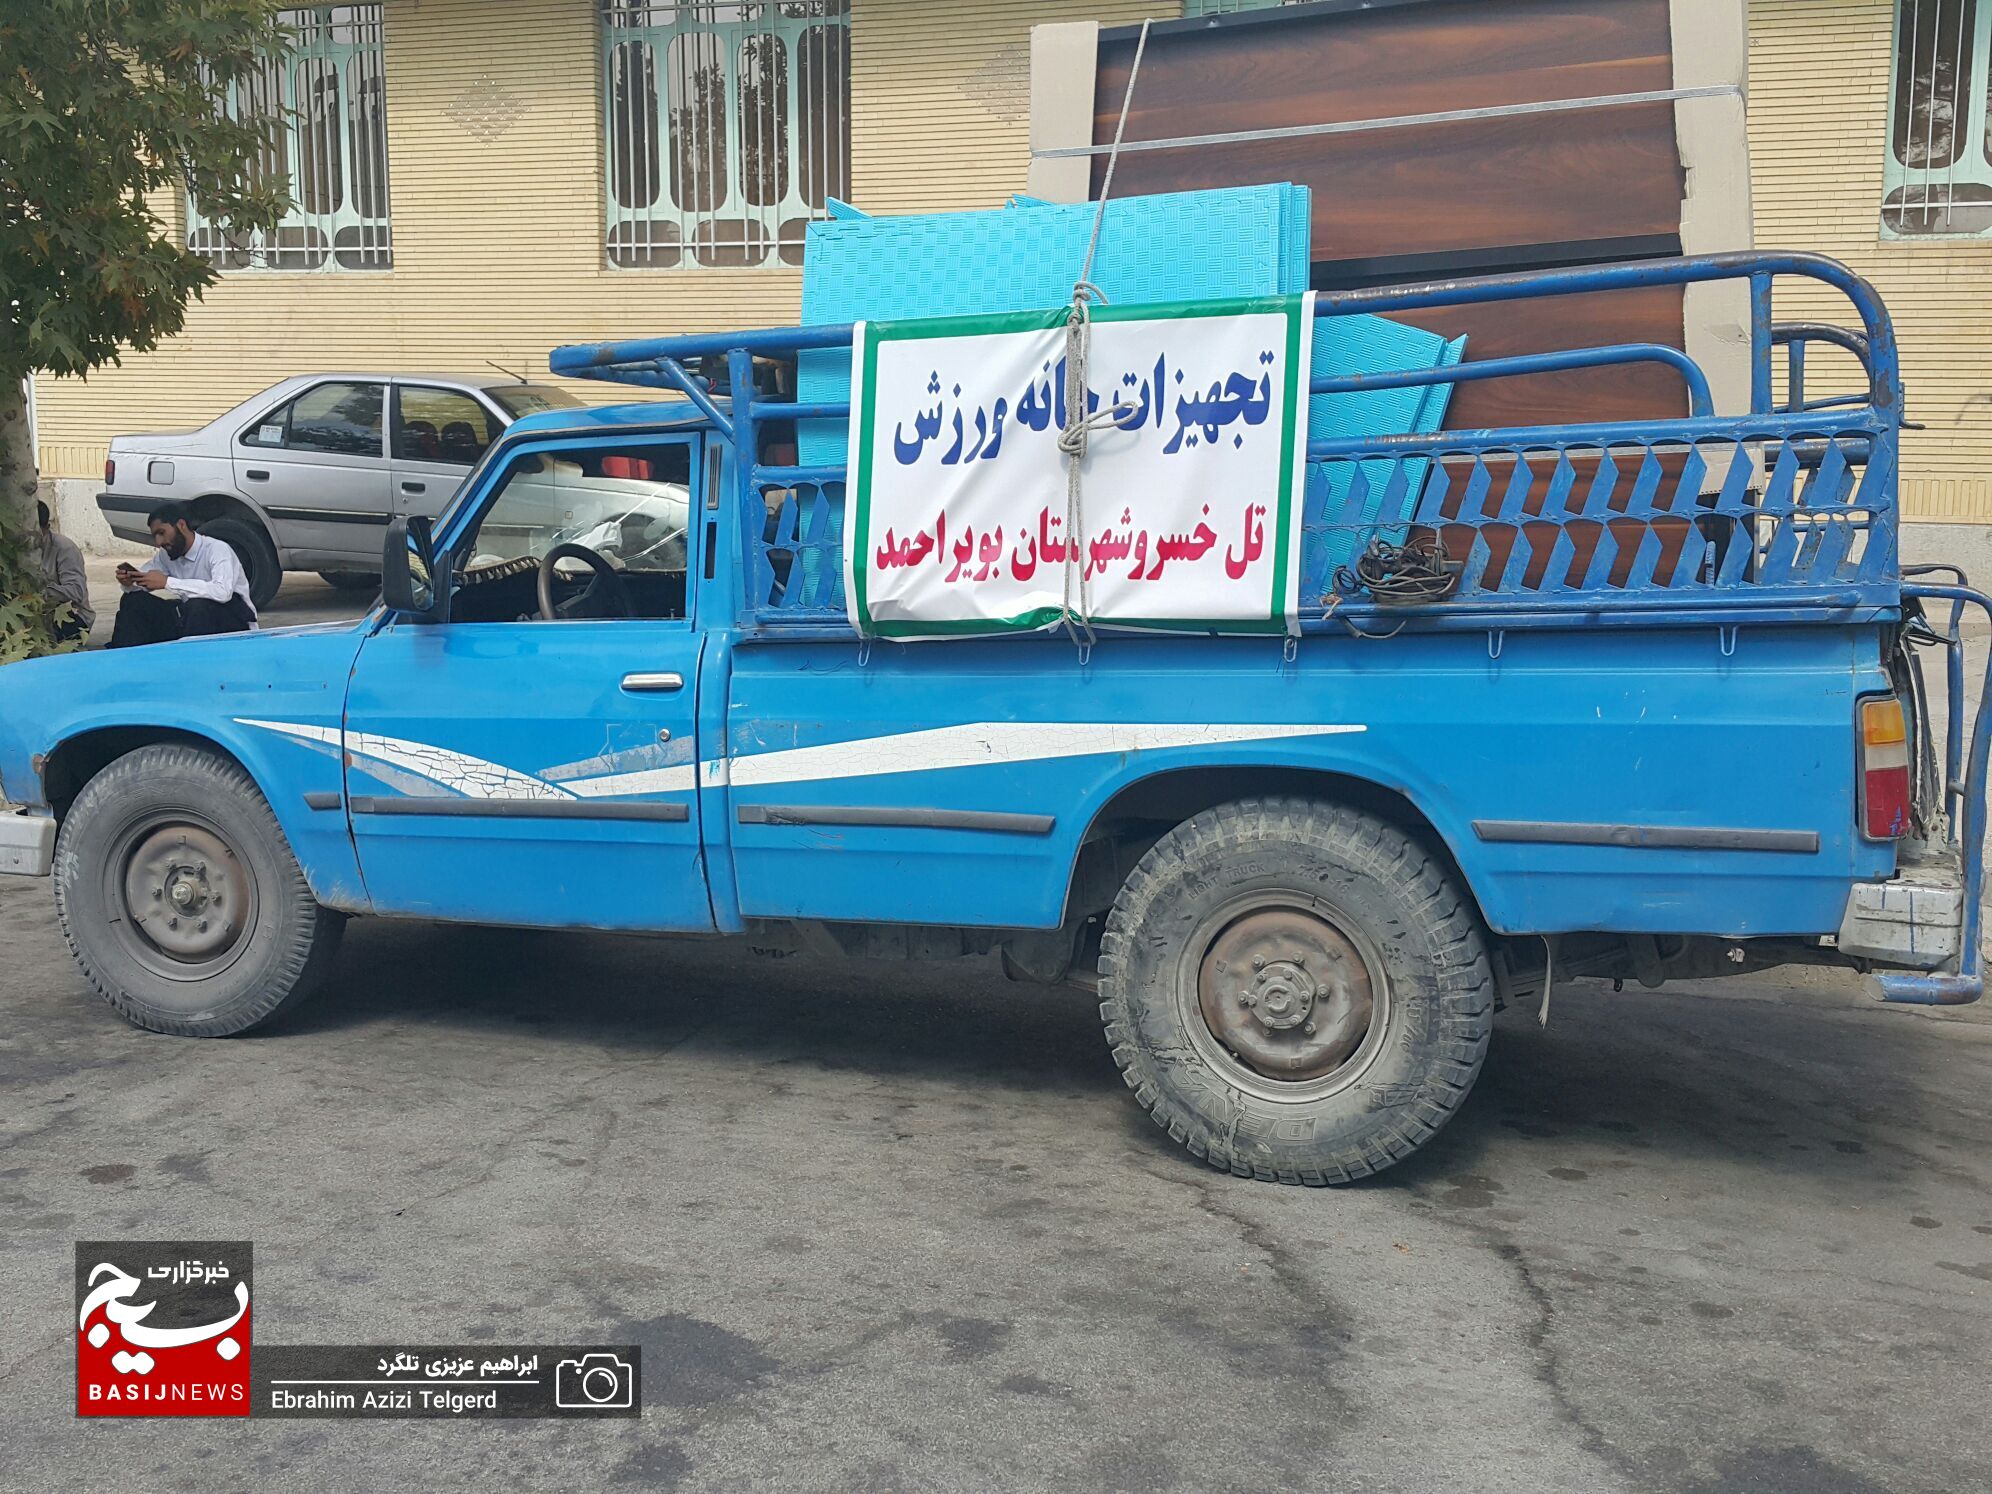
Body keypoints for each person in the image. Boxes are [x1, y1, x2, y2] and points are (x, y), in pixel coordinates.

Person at [108, 503, 258, 648]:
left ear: (181, 525)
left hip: (233, 621)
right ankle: (125, 659)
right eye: (155, 536)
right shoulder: (166, 555)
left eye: (162, 533)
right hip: (192, 619)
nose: (159, 542)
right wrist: (130, 583)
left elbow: (222, 592)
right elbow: (145, 578)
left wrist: (167, 582)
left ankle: (191, 661)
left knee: (197, 606)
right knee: (133, 601)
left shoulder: (217, 549)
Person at [30, 500, 95, 642]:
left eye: (35, 532)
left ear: (46, 527)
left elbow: (76, 591)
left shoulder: (64, 548)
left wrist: (41, 592)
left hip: (72, 615)